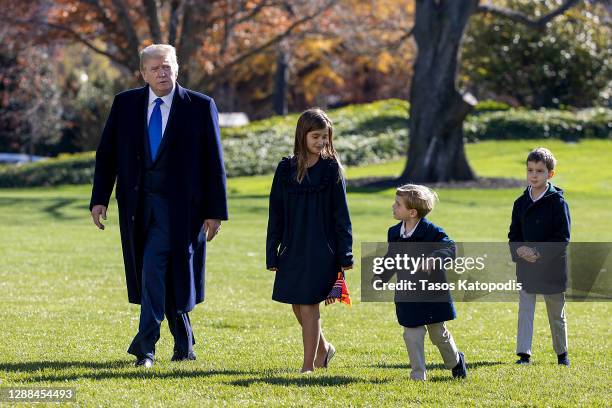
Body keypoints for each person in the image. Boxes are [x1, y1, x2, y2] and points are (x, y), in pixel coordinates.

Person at [89, 44, 228, 368]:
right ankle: (185, 343)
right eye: (154, 69)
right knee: (167, 274)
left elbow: (214, 161)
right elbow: (107, 155)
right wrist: (99, 199)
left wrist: (215, 211)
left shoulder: (199, 106)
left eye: (166, 67)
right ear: (143, 73)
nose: (161, 73)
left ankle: (145, 348)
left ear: (176, 68)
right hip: (137, 209)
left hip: (182, 211)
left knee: (152, 269)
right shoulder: (125, 105)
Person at [266, 108, 353, 373]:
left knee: (308, 305)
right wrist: (272, 252)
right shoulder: (285, 169)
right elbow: (275, 213)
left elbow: (342, 215)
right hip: (292, 247)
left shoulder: (331, 169)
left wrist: (345, 253)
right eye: (315, 136)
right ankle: (324, 350)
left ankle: (309, 366)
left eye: (325, 137)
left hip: (321, 249)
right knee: (296, 303)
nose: (321, 142)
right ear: (302, 135)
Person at [376, 184, 467, 381]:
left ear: (412, 212)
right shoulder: (394, 233)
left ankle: (456, 362)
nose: (393, 206)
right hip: (407, 295)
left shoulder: (432, 232)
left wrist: (435, 257)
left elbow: (450, 248)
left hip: (433, 295)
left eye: (398, 204)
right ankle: (418, 375)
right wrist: (381, 276)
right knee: (412, 335)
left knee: (438, 335)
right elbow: (392, 257)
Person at [509, 147, 571, 367]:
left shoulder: (558, 203)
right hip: (526, 268)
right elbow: (514, 234)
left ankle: (562, 354)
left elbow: (562, 237)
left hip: (552, 268)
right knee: (525, 310)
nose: (534, 175)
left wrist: (539, 253)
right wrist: (519, 251)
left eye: (540, 171)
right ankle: (523, 354)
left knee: (556, 314)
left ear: (550, 174)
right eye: (530, 170)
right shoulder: (520, 203)